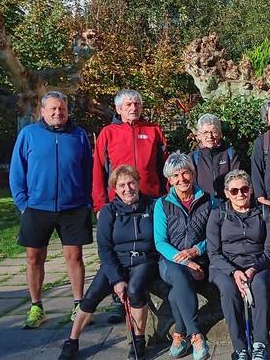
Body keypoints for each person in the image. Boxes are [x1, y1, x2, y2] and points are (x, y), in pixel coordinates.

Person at [9, 91, 93, 329]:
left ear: (68, 111)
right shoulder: (28, 135)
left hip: (73, 208)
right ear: (42, 112)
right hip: (36, 208)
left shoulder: (78, 135)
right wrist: (23, 204)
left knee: (74, 257)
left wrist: (86, 201)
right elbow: (17, 172)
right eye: (53, 109)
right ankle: (37, 306)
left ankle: (79, 304)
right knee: (34, 258)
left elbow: (88, 170)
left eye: (62, 109)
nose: (58, 113)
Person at [58, 165, 158, 360]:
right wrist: (117, 280)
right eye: (121, 185)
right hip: (116, 261)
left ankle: (138, 341)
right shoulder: (109, 211)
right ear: (115, 188)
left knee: (136, 290)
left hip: (145, 260)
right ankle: (72, 341)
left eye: (131, 183)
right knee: (91, 296)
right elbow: (104, 248)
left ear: (138, 183)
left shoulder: (153, 206)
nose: (127, 188)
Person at [92, 89, 168, 323]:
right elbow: (97, 170)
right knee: (117, 249)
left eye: (136, 104)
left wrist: (167, 198)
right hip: (118, 204)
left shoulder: (153, 130)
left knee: (149, 248)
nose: (133, 108)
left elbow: (164, 167)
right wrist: (99, 204)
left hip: (151, 201)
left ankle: (144, 291)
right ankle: (119, 300)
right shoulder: (108, 133)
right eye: (128, 105)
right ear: (118, 109)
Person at [206, 170, 270, 360]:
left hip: (258, 264)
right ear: (226, 193)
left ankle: (260, 343)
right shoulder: (217, 214)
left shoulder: (264, 212)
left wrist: (253, 269)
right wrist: (234, 272)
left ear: (251, 189)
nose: (240, 194)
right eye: (234, 191)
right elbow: (213, 252)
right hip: (224, 266)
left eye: (244, 189)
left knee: (259, 286)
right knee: (229, 291)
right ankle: (240, 347)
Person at [154, 153, 216, 360]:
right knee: (180, 277)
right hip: (170, 261)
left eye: (185, 173)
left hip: (201, 258)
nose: (182, 179)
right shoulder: (162, 204)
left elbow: (216, 234)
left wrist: (197, 250)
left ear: (193, 173)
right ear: (169, 180)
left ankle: (179, 333)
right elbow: (160, 242)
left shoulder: (208, 200)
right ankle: (196, 335)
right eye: (176, 176)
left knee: (175, 294)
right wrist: (186, 260)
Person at [191, 113, 240, 198]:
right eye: (205, 132)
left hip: (228, 204)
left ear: (220, 134)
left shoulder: (230, 154)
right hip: (204, 205)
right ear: (199, 136)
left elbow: (237, 180)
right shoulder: (192, 158)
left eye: (214, 132)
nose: (210, 136)